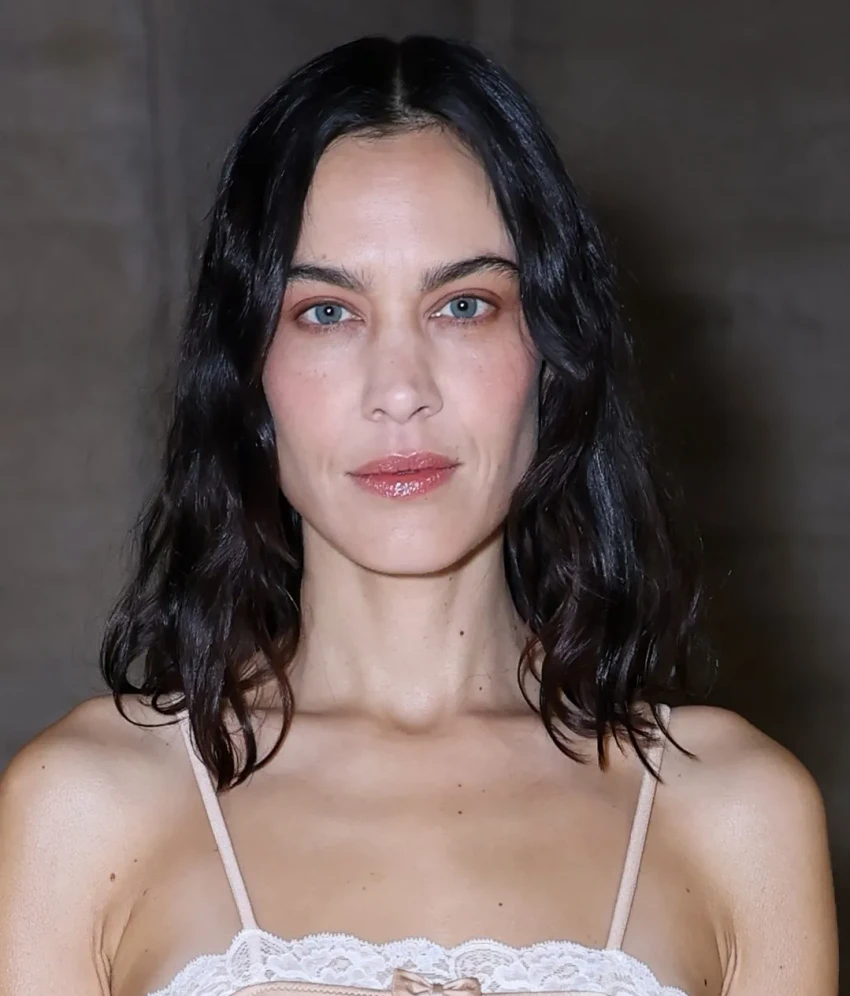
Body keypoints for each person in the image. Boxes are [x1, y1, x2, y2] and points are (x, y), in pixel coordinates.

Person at [0, 33, 838, 996]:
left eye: (463, 305)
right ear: (248, 371)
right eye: (327, 312)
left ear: (553, 352)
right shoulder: (88, 807)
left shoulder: (734, 815)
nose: (400, 391)